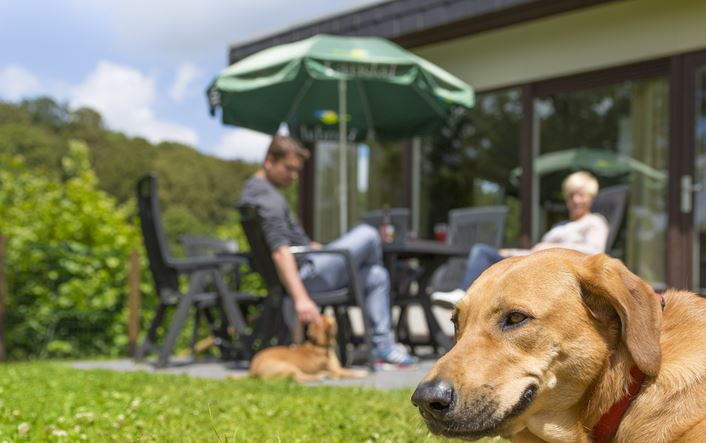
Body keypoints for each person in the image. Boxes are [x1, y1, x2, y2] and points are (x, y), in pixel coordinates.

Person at [240, 134, 415, 368]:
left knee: (376, 276)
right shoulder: (267, 200)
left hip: (309, 265)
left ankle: (382, 346)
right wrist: (301, 299)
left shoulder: (254, 191)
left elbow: (291, 245)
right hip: (306, 277)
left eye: (297, 171)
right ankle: (379, 342)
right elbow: (280, 252)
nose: (294, 176)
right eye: (289, 169)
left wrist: (319, 248)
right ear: (269, 160)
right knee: (369, 234)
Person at [432, 170, 609, 307]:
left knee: (482, 253)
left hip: (551, 270)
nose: (576, 200)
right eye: (572, 195)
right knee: (482, 252)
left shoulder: (595, 222)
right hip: (533, 261)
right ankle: (465, 296)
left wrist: (550, 248)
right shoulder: (561, 225)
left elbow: (595, 253)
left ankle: (465, 297)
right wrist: (512, 251)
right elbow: (535, 250)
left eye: (581, 195)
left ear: (591, 197)